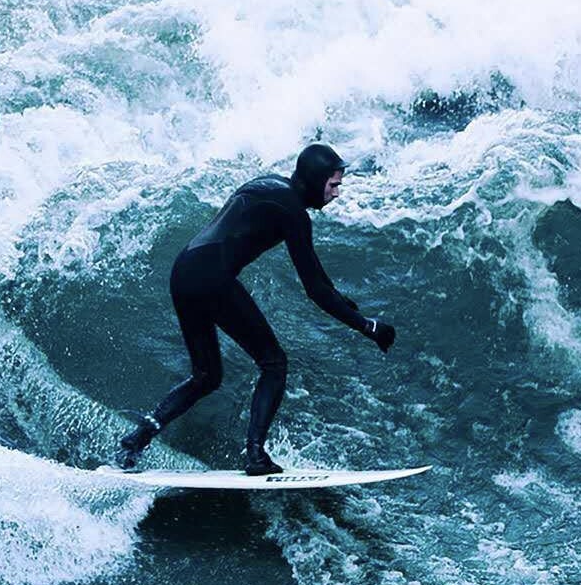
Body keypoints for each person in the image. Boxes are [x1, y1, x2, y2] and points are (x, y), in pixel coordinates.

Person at [117, 143, 397, 475]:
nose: (337, 193)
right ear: (315, 179)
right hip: (212, 278)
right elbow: (316, 290)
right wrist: (367, 327)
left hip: (184, 271)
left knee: (206, 376)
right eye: (333, 184)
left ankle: (139, 437)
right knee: (274, 363)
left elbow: (321, 283)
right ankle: (255, 455)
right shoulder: (292, 211)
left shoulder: (272, 186)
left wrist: (350, 309)